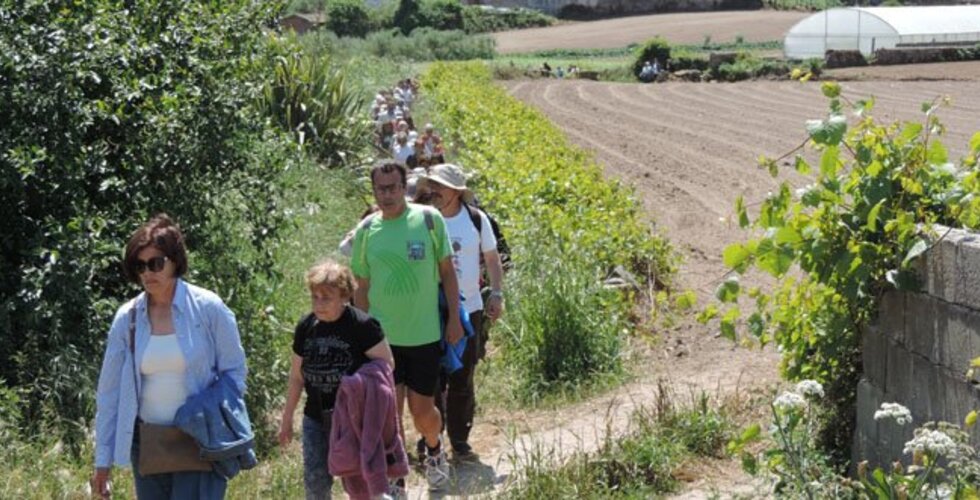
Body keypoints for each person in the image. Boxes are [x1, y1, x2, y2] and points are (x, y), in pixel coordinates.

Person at [92, 214, 248, 500]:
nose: (147, 273)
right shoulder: (127, 318)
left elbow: (235, 372)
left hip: (200, 441)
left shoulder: (208, 308)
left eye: (156, 263)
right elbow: (109, 393)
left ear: (175, 261)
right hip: (149, 446)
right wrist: (102, 462)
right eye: (140, 265)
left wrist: (207, 413)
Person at [350, 161, 462, 491]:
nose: (386, 195)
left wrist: (454, 319)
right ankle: (396, 479)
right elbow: (361, 287)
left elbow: (447, 273)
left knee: (422, 412)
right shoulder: (366, 231)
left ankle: (435, 450)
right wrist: (360, 336)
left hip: (424, 335)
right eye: (380, 189)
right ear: (374, 191)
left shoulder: (428, 220)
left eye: (392, 188)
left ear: (404, 188)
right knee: (390, 415)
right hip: (383, 342)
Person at [278, 259, 395, 500]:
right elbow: (297, 377)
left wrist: (359, 388)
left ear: (344, 296)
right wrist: (287, 418)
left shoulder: (363, 325)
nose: (318, 303)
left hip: (354, 419)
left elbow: (386, 367)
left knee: (360, 484)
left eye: (326, 297)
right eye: (315, 297)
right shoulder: (306, 326)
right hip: (315, 416)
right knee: (315, 482)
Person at [420, 164, 504, 462]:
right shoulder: (422, 219)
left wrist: (497, 293)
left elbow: (492, 259)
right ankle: (431, 438)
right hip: (429, 310)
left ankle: (460, 440)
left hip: (471, 308)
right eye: (431, 185)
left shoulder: (476, 220)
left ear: (456, 191)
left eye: (439, 186)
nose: (434, 191)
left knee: (463, 376)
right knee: (431, 378)